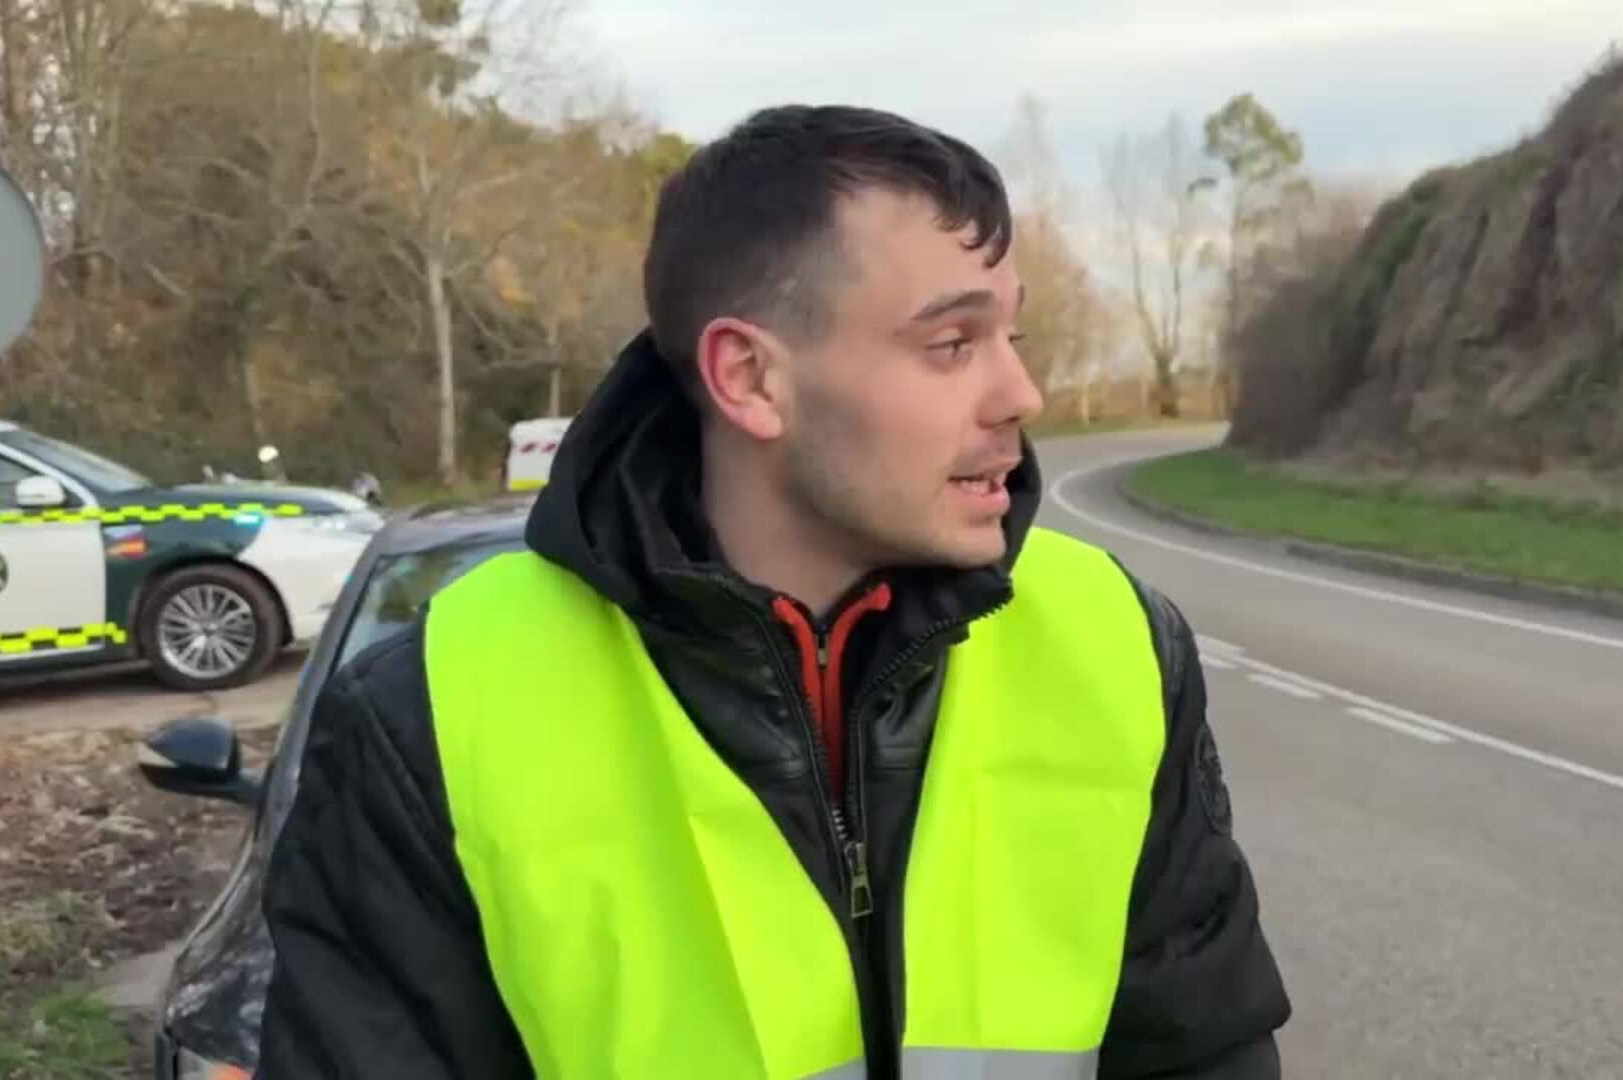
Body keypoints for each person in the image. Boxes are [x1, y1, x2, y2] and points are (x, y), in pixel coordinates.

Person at [256, 103, 1291, 1079]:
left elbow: (1201, 1051)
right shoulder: (434, 712)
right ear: (750, 379)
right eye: (951, 344)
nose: (1020, 394)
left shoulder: (1110, 637)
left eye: (1010, 336)